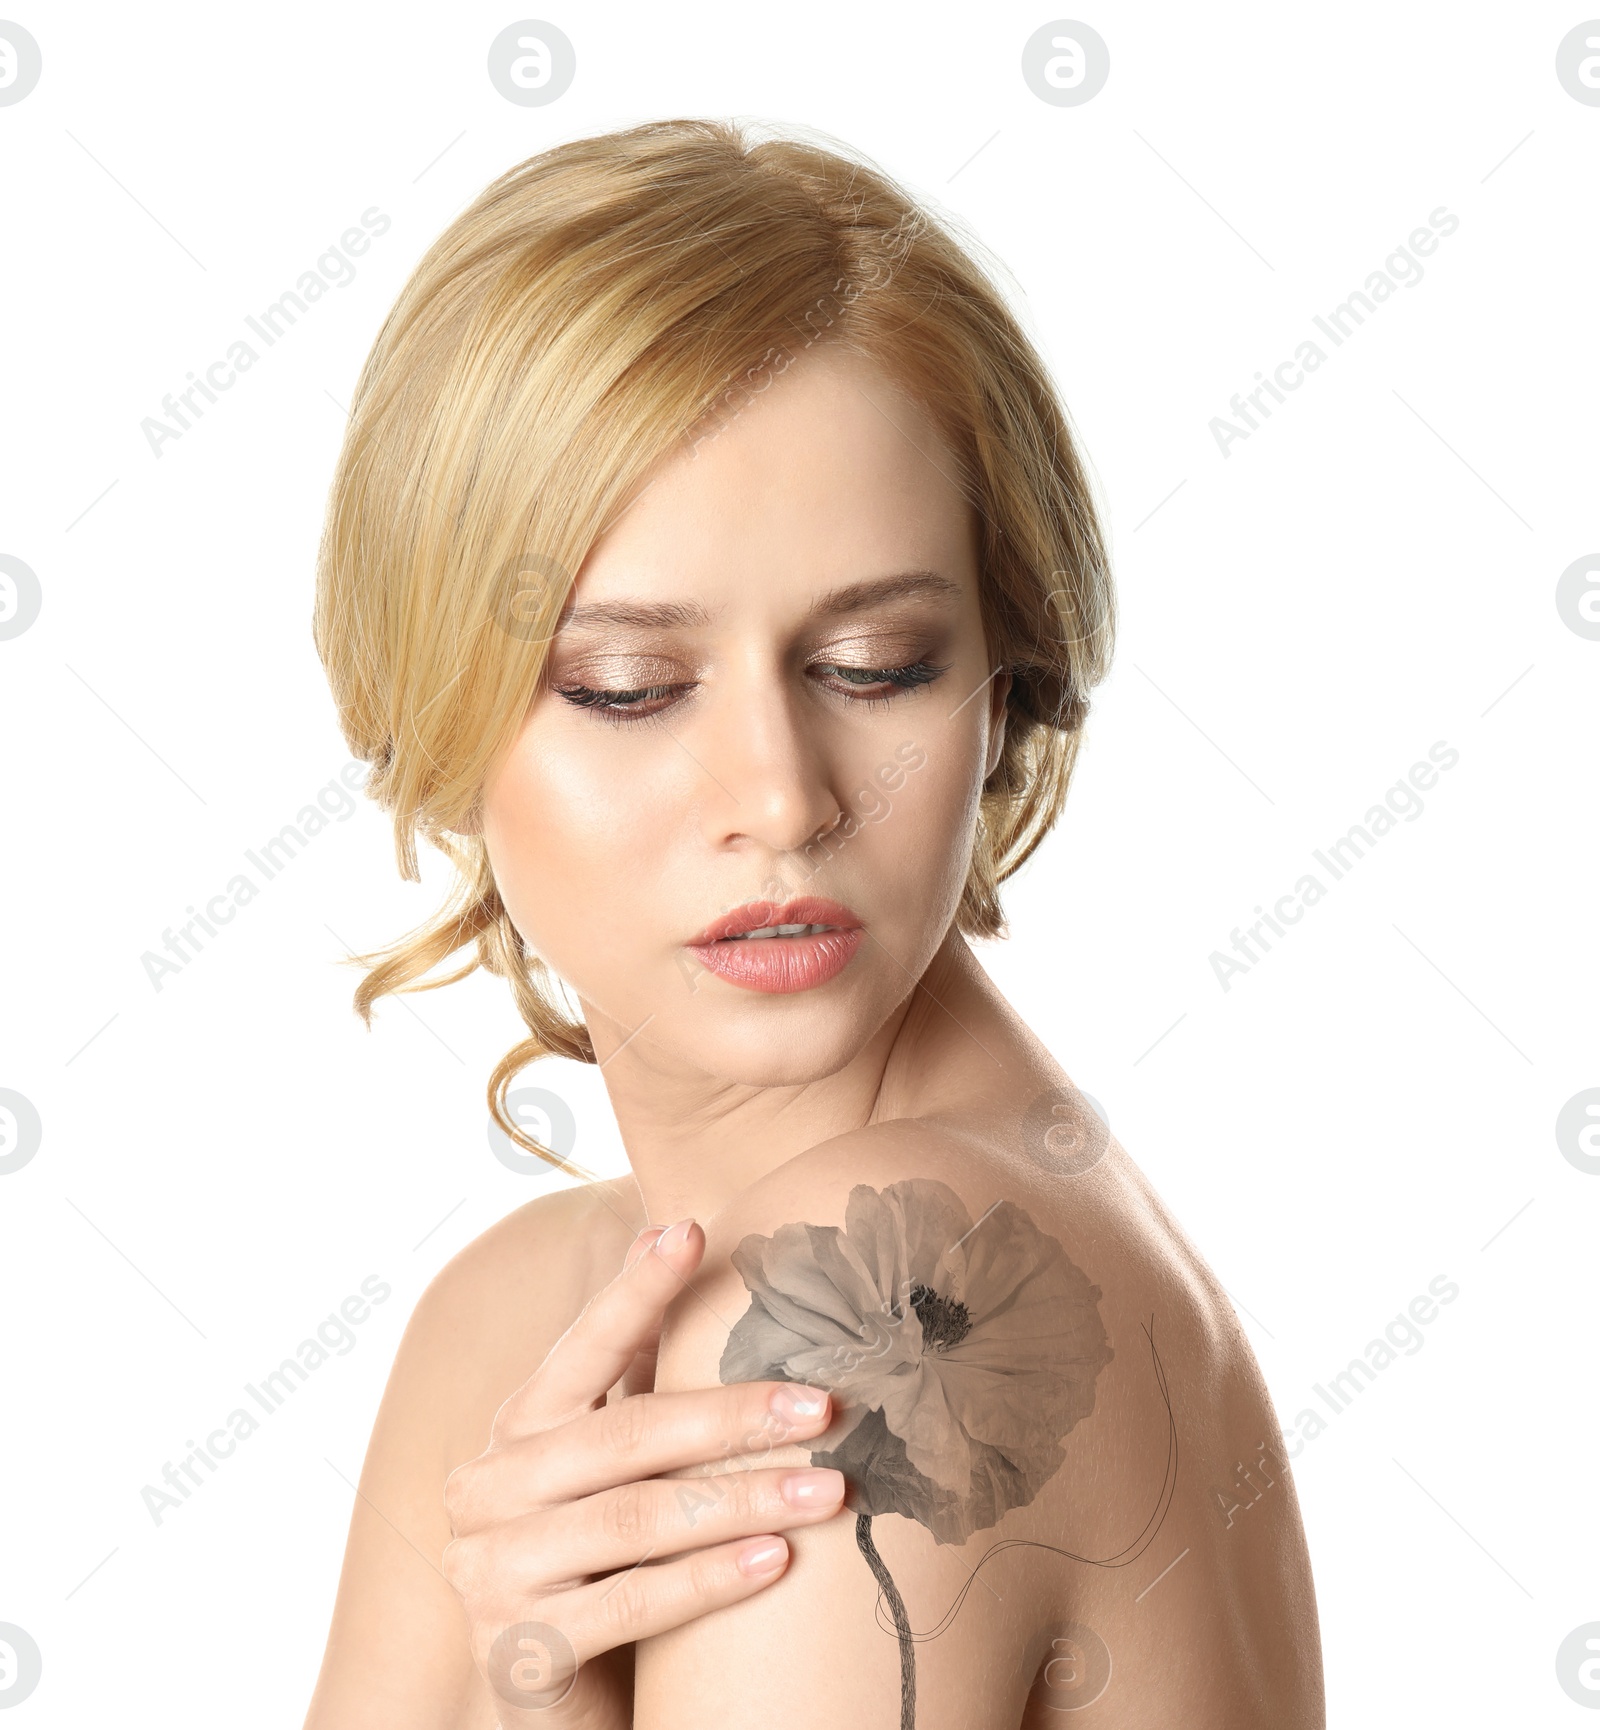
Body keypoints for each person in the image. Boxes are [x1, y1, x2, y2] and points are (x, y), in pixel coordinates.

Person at [302, 116, 1324, 1729]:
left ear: (1008, 680)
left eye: (874, 667)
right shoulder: (512, 1322)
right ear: (429, 708)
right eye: (627, 686)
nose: (779, 796)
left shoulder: (895, 1295)